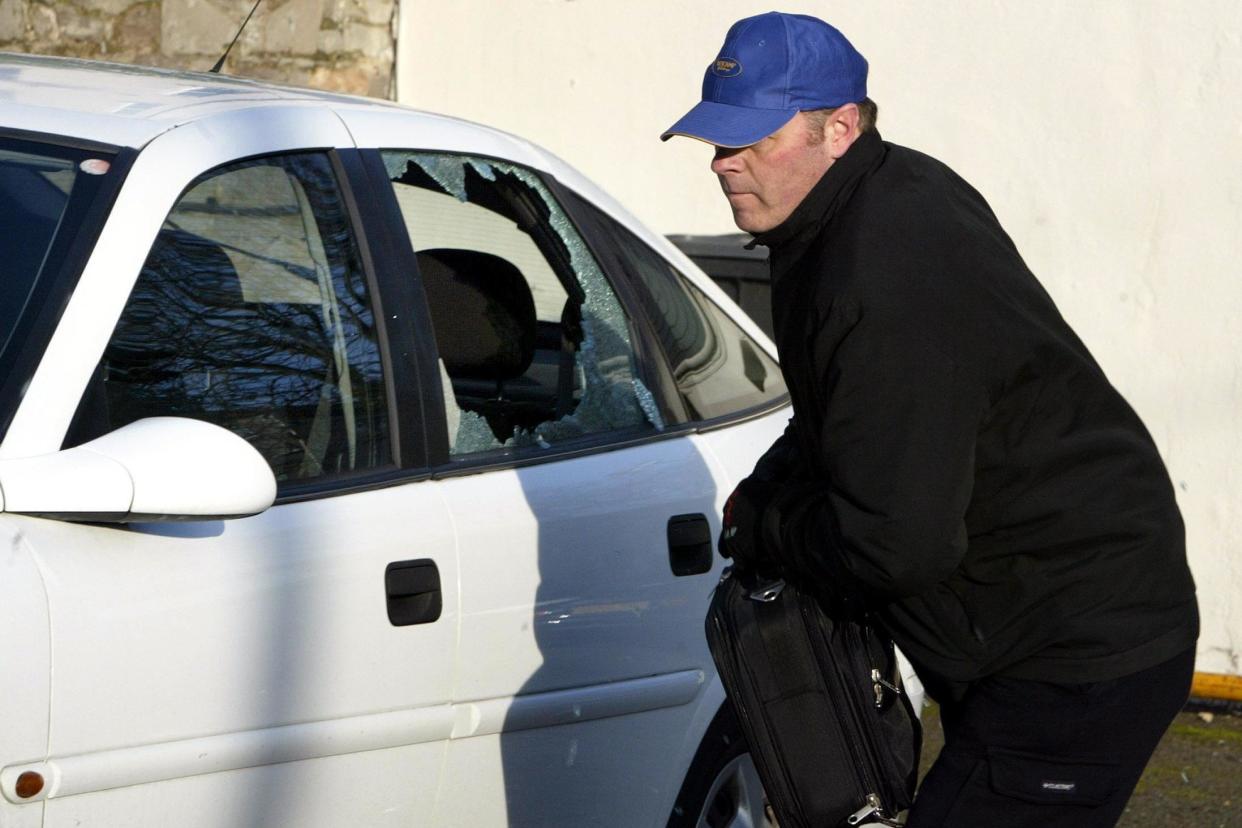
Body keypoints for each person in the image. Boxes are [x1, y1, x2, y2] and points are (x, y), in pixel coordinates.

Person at [661, 12, 1198, 827]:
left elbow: (896, 545)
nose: (724, 164)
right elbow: (839, 415)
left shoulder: (883, 266)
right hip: (1028, 635)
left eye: (751, 141)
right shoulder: (856, 207)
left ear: (839, 128)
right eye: (716, 142)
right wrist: (765, 490)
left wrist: (769, 525)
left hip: (1074, 650)